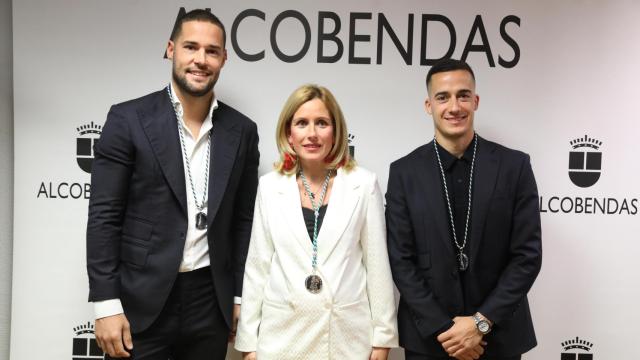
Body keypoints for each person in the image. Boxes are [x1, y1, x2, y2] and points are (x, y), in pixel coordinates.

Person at [86, 9, 259, 359]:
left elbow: (243, 222)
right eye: (190, 47)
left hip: (211, 304)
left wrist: (239, 295)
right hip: (140, 301)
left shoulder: (242, 131)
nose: (200, 60)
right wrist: (106, 303)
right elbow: (104, 216)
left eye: (212, 51)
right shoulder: (128, 119)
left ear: (224, 58)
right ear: (170, 49)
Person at [385, 59, 542, 360]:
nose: (454, 106)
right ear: (429, 105)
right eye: (443, 97)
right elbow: (401, 261)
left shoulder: (515, 167)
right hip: (430, 342)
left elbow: (527, 255)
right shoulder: (404, 172)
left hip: (499, 339)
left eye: (463, 95)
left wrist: (481, 323)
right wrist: (447, 331)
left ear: (476, 101)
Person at [235, 84, 398, 359]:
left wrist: (382, 339)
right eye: (302, 123)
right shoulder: (270, 186)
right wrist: (249, 343)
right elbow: (257, 267)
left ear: (335, 131)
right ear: (289, 132)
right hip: (281, 338)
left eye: (321, 123)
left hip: (344, 339)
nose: (312, 134)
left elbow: (377, 266)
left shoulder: (363, 184)